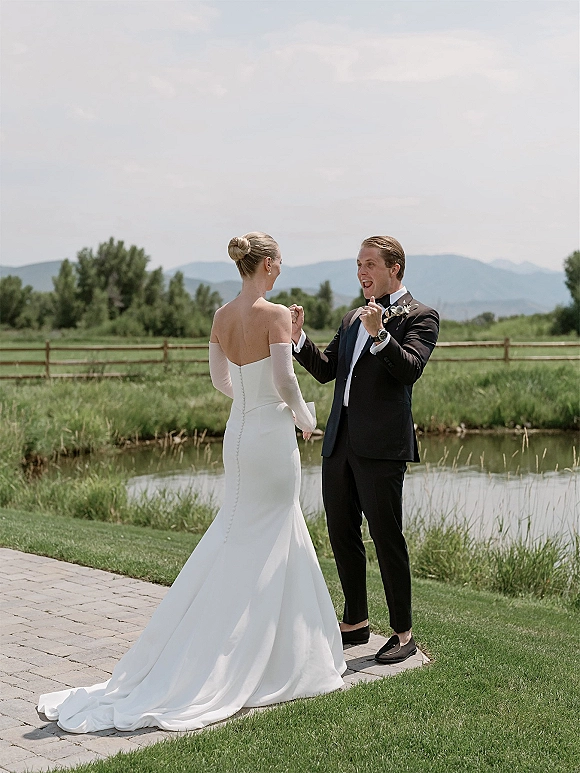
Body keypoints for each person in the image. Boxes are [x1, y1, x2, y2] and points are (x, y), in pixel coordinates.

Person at [38, 232, 346, 733]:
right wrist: (304, 418)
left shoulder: (222, 317)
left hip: (239, 433)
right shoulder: (274, 317)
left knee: (240, 529)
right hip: (269, 435)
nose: (282, 270)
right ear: (265, 264)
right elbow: (288, 382)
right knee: (274, 531)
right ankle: (278, 654)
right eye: (280, 263)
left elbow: (219, 380)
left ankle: (238, 637)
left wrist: (248, 403)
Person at [291, 235, 439, 664]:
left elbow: (408, 371)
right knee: (341, 533)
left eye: (370, 264)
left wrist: (380, 336)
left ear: (395, 268)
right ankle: (355, 622)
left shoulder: (421, 316)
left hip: (382, 448)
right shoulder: (351, 317)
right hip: (339, 442)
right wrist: (300, 341)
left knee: (386, 537)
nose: (361, 272)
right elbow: (327, 371)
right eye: (358, 264)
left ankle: (403, 633)